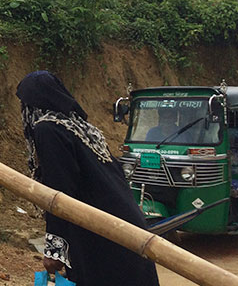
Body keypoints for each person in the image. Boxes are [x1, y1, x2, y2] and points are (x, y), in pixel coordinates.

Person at [17, 71, 159, 286]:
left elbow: (59, 195)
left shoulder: (48, 130)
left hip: (101, 234)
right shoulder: (82, 127)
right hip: (127, 226)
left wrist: (55, 251)